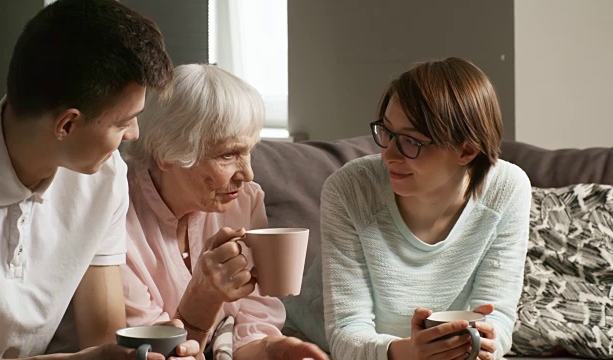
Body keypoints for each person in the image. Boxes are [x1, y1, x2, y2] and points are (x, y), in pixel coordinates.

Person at [0, 0, 199, 359]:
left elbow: (104, 342)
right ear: (67, 124)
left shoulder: (105, 180)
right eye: (123, 122)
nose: (134, 134)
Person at [287, 57, 531, 360]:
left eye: (411, 141)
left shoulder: (507, 189)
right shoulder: (351, 189)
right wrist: (407, 351)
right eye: (387, 132)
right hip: (318, 348)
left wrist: (483, 346)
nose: (388, 154)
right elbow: (346, 330)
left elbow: (497, 315)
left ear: (466, 150)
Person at [120, 64, 328, 360]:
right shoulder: (116, 218)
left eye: (249, 151)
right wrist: (204, 297)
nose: (248, 174)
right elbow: (152, 353)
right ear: (166, 152)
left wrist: (271, 349)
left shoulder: (244, 201)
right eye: (228, 154)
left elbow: (254, 319)